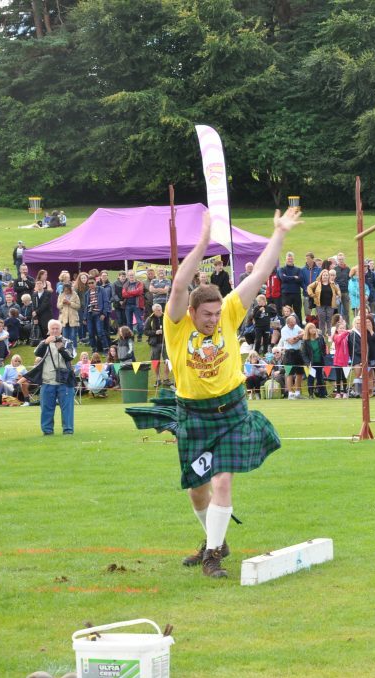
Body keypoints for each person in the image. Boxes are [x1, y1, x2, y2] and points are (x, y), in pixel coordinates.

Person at [128, 206, 299, 580]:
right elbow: (176, 286)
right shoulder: (177, 327)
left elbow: (262, 273)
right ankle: (215, 541)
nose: (214, 319)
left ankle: (212, 557)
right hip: (193, 413)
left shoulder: (230, 313)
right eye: (207, 314)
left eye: (217, 313)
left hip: (232, 410)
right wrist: (204, 243)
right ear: (191, 312)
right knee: (197, 490)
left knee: (223, 479)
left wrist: (280, 233)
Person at [24, 319, 76, 434]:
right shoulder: (44, 342)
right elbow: (37, 353)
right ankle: (47, 431)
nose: (55, 331)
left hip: (65, 381)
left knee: (67, 409)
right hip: (47, 381)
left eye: (57, 328)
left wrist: (61, 348)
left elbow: (71, 356)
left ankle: (68, 430)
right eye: (52, 328)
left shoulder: (68, 342)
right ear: (48, 330)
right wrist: (45, 343)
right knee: (46, 409)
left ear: (61, 330)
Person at [307, 269, 341, 337]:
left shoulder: (332, 284)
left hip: (330, 305)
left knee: (329, 319)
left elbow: (338, 290)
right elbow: (309, 287)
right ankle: (321, 335)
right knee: (322, 319)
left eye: (326, 275)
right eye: (324, 275)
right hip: (320, 305)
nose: (325, 276)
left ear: (328, 276)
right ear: (321, 276)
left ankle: (329, 335)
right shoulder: (317, 283)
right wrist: (312, 294)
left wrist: (338, 294)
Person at [144, 303, 171, 386]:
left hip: (166, 343)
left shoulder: (166, 317)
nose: (160, 311)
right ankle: (158, 379)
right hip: (155, 344)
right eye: (158, 310)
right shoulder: (150, 319)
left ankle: (166, 379)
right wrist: (155, 332)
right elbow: (145, 331)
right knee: (155, 362)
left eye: (160, 309)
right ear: (154, 311)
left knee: (168, 360)